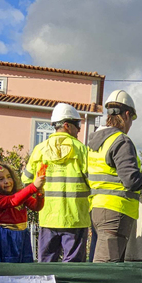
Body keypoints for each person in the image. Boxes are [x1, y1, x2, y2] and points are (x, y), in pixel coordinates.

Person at [87, 90, 142, 262]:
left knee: (102, 263)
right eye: (131, 119)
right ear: (126, 115)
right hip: (115, 212)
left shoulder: (96, 142)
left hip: (98, 209)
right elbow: (131, 181)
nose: (130, 124)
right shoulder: (121, 141)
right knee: (106, 270)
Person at [22, 104, 91, 262]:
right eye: (77, 125)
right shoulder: (82, 150)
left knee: (46, 267)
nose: (79, 130)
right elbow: (93, 182)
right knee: (74, 268)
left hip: (48, 217)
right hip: (76, 218)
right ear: (67, 125)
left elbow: (25, 182)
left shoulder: (39, 150)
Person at [0, 161, 46, 262]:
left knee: (24, 267)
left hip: (22, 234)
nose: (7, 181)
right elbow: (12, 201)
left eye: (9, 177)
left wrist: (40, 194)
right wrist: (34, 186)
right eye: (0, 179)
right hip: (5, 236)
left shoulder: (19, 194)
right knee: (6, 268)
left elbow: (36, 206)